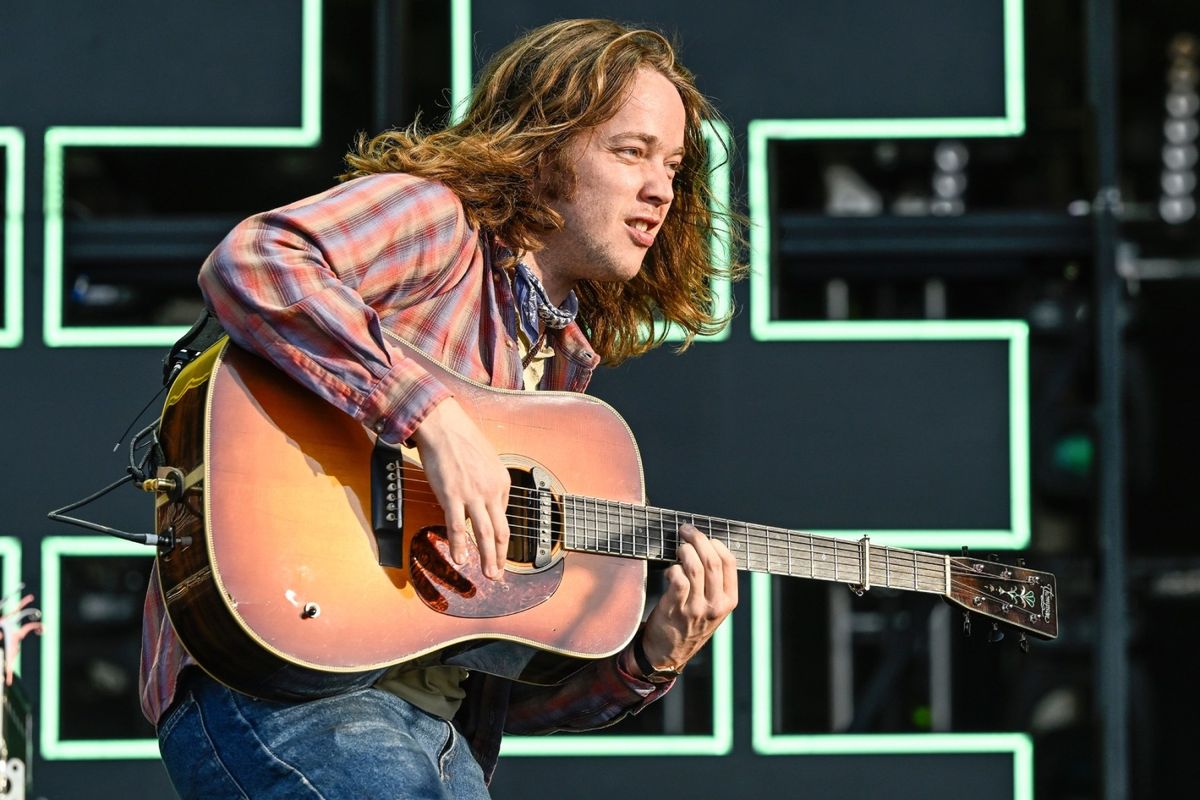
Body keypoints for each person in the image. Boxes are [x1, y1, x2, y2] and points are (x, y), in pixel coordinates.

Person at [141, 18, 741, 799]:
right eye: (631, 151)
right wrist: (428, 418)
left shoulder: (560, 373)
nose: (660, 187)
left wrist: (648, 659)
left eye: (673, 165)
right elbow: (256, 260)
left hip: (441, 740)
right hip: (288, 688)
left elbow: (498, 666)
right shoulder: (438, 222)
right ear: (544, 146)